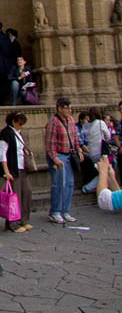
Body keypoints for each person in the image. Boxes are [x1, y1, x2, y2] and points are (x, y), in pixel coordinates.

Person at [44, 96, 84, 225]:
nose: (69, 111)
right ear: (59, 108)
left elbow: (75, 138)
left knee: (69, 184)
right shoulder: (53, 122)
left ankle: (65, 210)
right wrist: (55, 158)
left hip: (69, 155)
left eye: (70, 108)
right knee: (58, 184)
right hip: (59, 155)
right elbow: (50, 143)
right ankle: (55, 212)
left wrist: (79, 151)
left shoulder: (71, 120)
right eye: (66, 108)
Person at [0, 111, 33, 233]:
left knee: (26, 192)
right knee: (14, 197)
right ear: (13, 121)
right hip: (13, 168)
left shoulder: (18, 133)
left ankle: (24, 219)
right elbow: (2, 154)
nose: (21, 125)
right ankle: (13, 223)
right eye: (20, 123)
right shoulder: (5, 133)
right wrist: (6, 172)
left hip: (22, 167)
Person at [80, 107, 112, 193]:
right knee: (105, 171)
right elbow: (108, 136)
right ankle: (88, 187)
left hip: (91, 152)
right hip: (101, 152)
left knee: (102, 171)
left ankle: (98, 187)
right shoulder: (101, 123)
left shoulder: (86, 125)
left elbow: (82, 134)